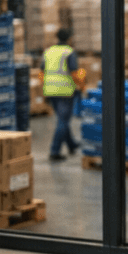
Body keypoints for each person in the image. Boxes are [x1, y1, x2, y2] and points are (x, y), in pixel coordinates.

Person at [42, 28, 85, 161]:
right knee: (63, 121)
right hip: (65, 90)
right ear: (69, 39)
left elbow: (41, 72)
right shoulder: (69, 52)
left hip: (50, 90)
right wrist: (81, 85)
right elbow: (73, 73)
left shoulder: (48, 51)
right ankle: (55, 151)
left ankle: (71, 144)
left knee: (62, 118)